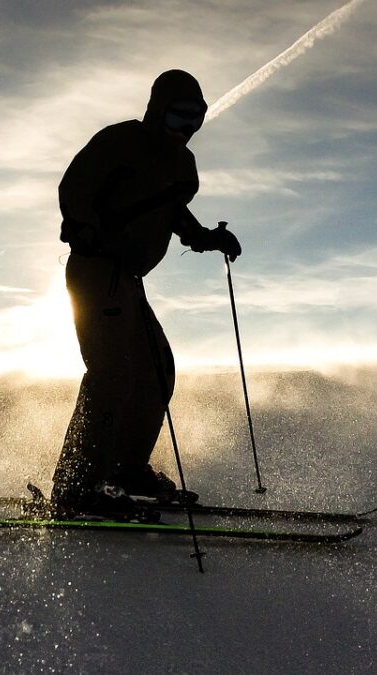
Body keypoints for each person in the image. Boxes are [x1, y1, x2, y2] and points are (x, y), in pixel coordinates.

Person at [51, 69, 241, 516]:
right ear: (157, 111)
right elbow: (74, 189)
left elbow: (174, 213)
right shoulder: (120, 142)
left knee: (157, 369)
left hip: (130, 279)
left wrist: (209, 238)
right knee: (112, 372)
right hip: (98, 270)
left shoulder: (181, 164)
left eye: (195, 121)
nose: (185, 129)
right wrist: (88, 231)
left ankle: (123, 469)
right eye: (178, 118)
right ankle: (78, 485)